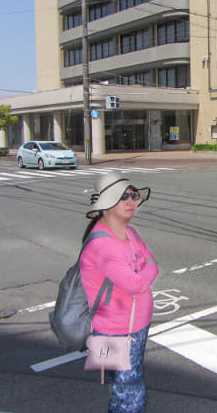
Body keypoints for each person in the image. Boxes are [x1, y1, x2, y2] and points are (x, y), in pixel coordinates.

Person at [80, 171, 159, 413]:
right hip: (114, 331)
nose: (131, 201)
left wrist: (145, 272)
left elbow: (153, 264)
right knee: (130, 391)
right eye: (123, 196)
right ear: (106, 205)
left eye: (134, 195)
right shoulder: (101, 244)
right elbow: (136, 282)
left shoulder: (131, 233)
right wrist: (146, 272)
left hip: (137, 325)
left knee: (122, 386)